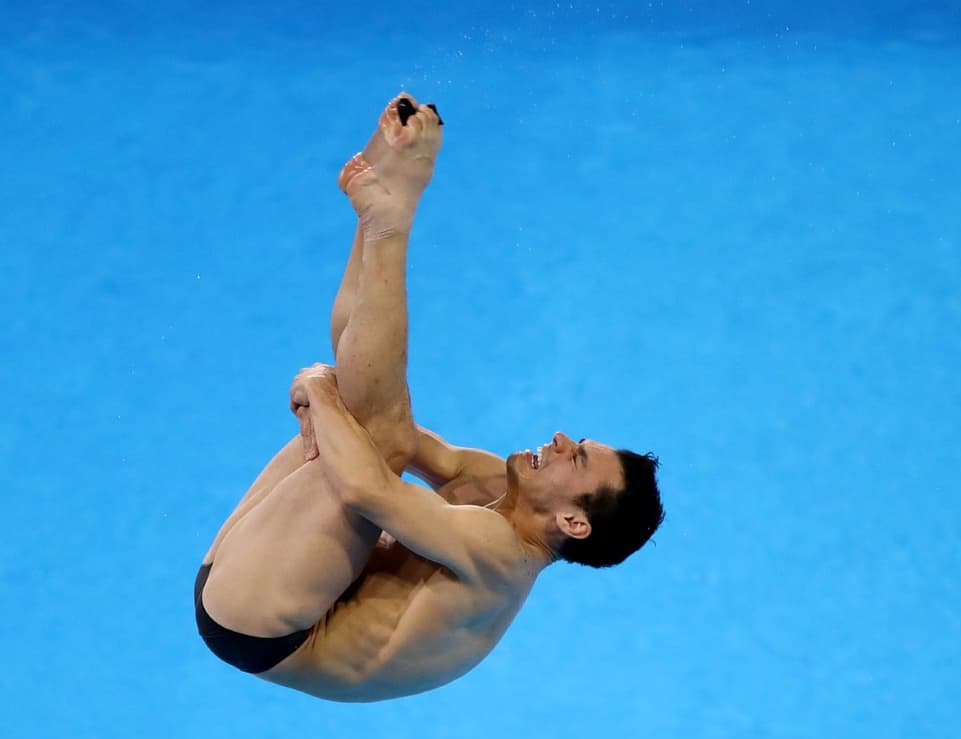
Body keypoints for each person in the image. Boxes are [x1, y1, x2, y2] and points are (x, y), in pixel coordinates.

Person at [195, 93, 664, 702]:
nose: (560, 438)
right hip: (257, 577)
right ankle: (378, 218)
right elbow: (387, 416)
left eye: (576, 458)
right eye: (578, 441)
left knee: (367, 437)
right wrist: (332, 393)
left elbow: (367, 486)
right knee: (369, 418)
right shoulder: (495, 487)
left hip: (262, 622)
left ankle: (388, 222)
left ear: (573, 522)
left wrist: (318, 390)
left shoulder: (502, 556)